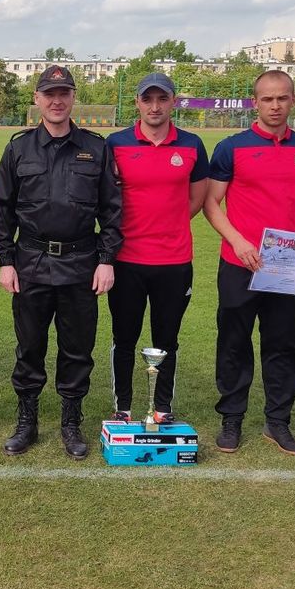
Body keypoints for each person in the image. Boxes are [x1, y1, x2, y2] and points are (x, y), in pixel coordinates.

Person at [0, 65, 122, 459]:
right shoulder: (18, 148)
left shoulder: (96, 148)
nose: (56, 100)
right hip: (30, 261)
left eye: (64, 92)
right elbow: (3, 209)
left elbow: (112, 210)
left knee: (77, 349)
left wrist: (106, 260)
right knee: (29, 347)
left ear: (73, 97)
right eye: (49, 93)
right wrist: (6, 260)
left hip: (81, 263)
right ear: (37, 99)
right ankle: (27, 422)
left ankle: (71, 422)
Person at [204, 70, 295, 456]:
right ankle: (232, 420)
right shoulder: (231, 147)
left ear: (293, 100)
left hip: (287, 263)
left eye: (282, 98)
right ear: (256, 102)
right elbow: (210, 202)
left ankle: (278, 422)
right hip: (240, 261)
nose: (275, 106)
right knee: (234, 343)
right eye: (267, 99)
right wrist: (237, 241)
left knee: (283, 344)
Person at [105, 73, 208, 422]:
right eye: (147, 99)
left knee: (167, 340)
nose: (154, 106)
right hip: (126, 259)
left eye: (161, 99)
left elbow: (196, 198)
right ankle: (122, 408)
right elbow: (107, 198)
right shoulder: (116, 143)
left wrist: (168, 224)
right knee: (124, 337)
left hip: (174, 261)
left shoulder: (192, 145)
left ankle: (161, 408)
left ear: (173, 102)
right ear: (137, 102)